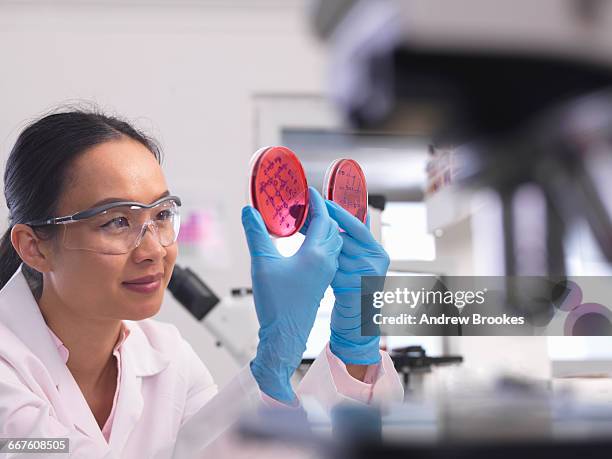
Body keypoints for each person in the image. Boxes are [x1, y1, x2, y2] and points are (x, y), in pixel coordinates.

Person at [0, 110, 403, 458]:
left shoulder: (169, 358)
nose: (153, 250)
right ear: (34, 247)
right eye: (116, 222)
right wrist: (274, 360)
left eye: (160, 215)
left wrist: (357, 338)